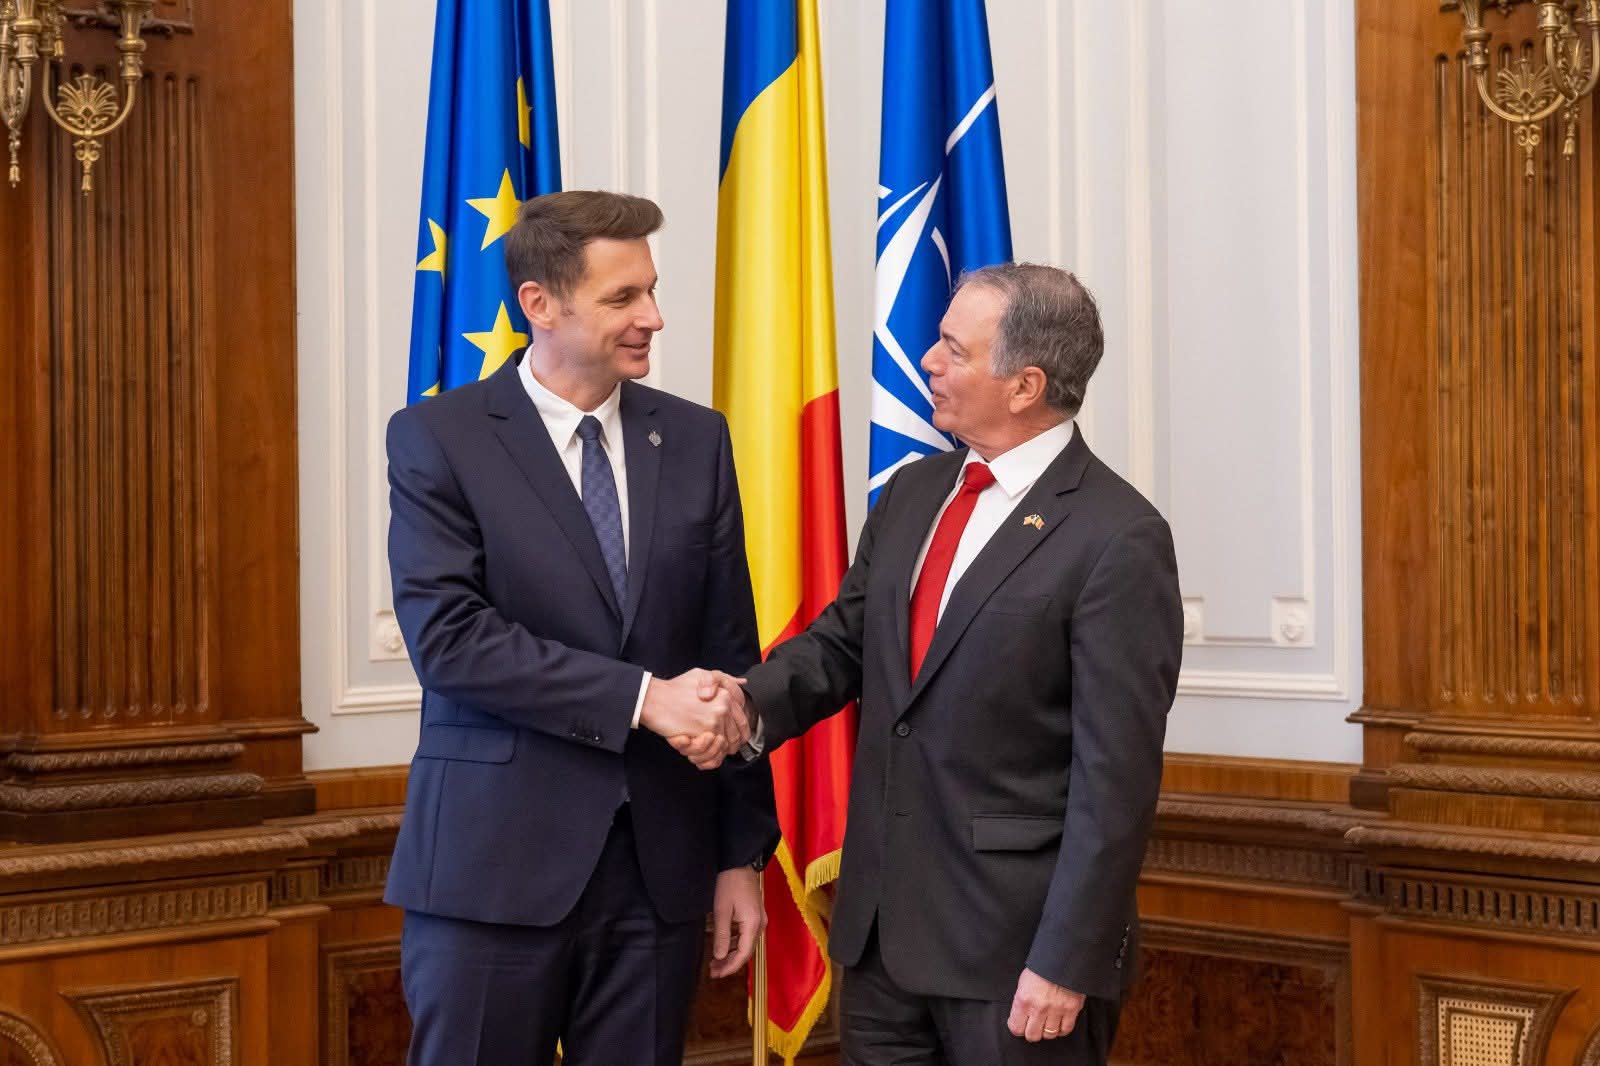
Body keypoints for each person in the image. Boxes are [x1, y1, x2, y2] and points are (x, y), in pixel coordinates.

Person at [696, 263, 1182, 1064]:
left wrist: (1067, 960)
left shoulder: (1117, 537)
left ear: (1025, 385)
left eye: (954, 349)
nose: (927, 360)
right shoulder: (914, 494)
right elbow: (842, 644)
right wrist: (742, 706)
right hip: (883, 942)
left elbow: (1116, 779)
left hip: (1017, 958)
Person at [384, 190, 777, 1066]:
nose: (653, 317)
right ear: (540, 304)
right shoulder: (439, 438)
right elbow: (450, 640)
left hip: (659, 874)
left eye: (651, 290)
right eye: (622, 297)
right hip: (492, 873)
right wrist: (642, 699)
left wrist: (739, 855)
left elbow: (729, 652)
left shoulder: (697, 439)